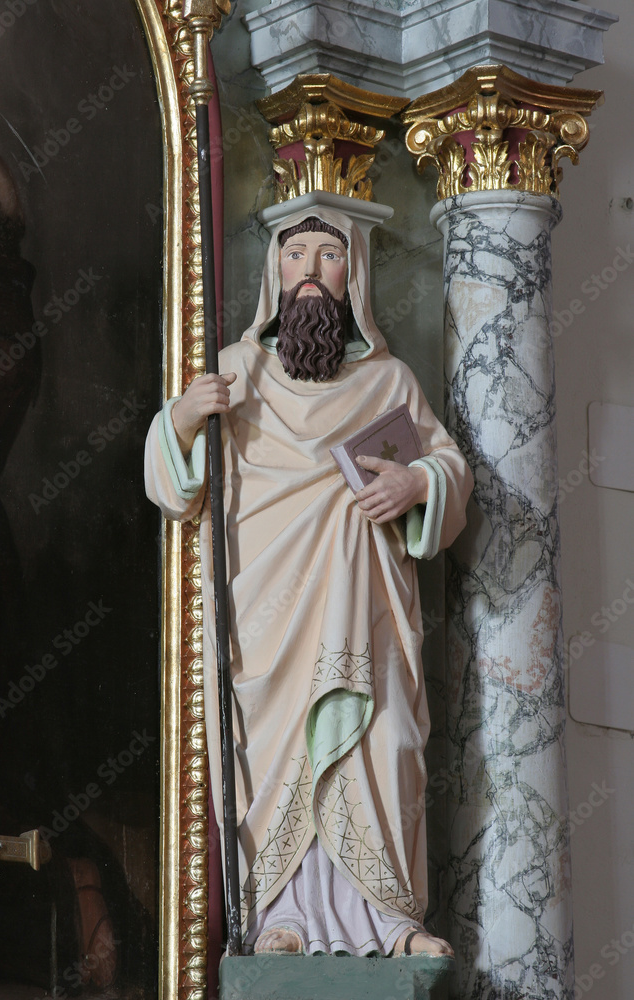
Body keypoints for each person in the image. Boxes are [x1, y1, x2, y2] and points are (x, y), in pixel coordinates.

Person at [145, 206, 473, 957]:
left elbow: (450, 469)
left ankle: (391, 919)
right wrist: (184, 419)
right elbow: (174, 491)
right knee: (275, 751)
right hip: (269, 614)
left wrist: (418, 482)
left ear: (353, 274)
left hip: (367, 612)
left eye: (329, 255)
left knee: (384, 741)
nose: (311, 272)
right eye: (296, 256)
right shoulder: (237, 370)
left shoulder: (388, 381)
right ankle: (280, 915)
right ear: (275, 272)